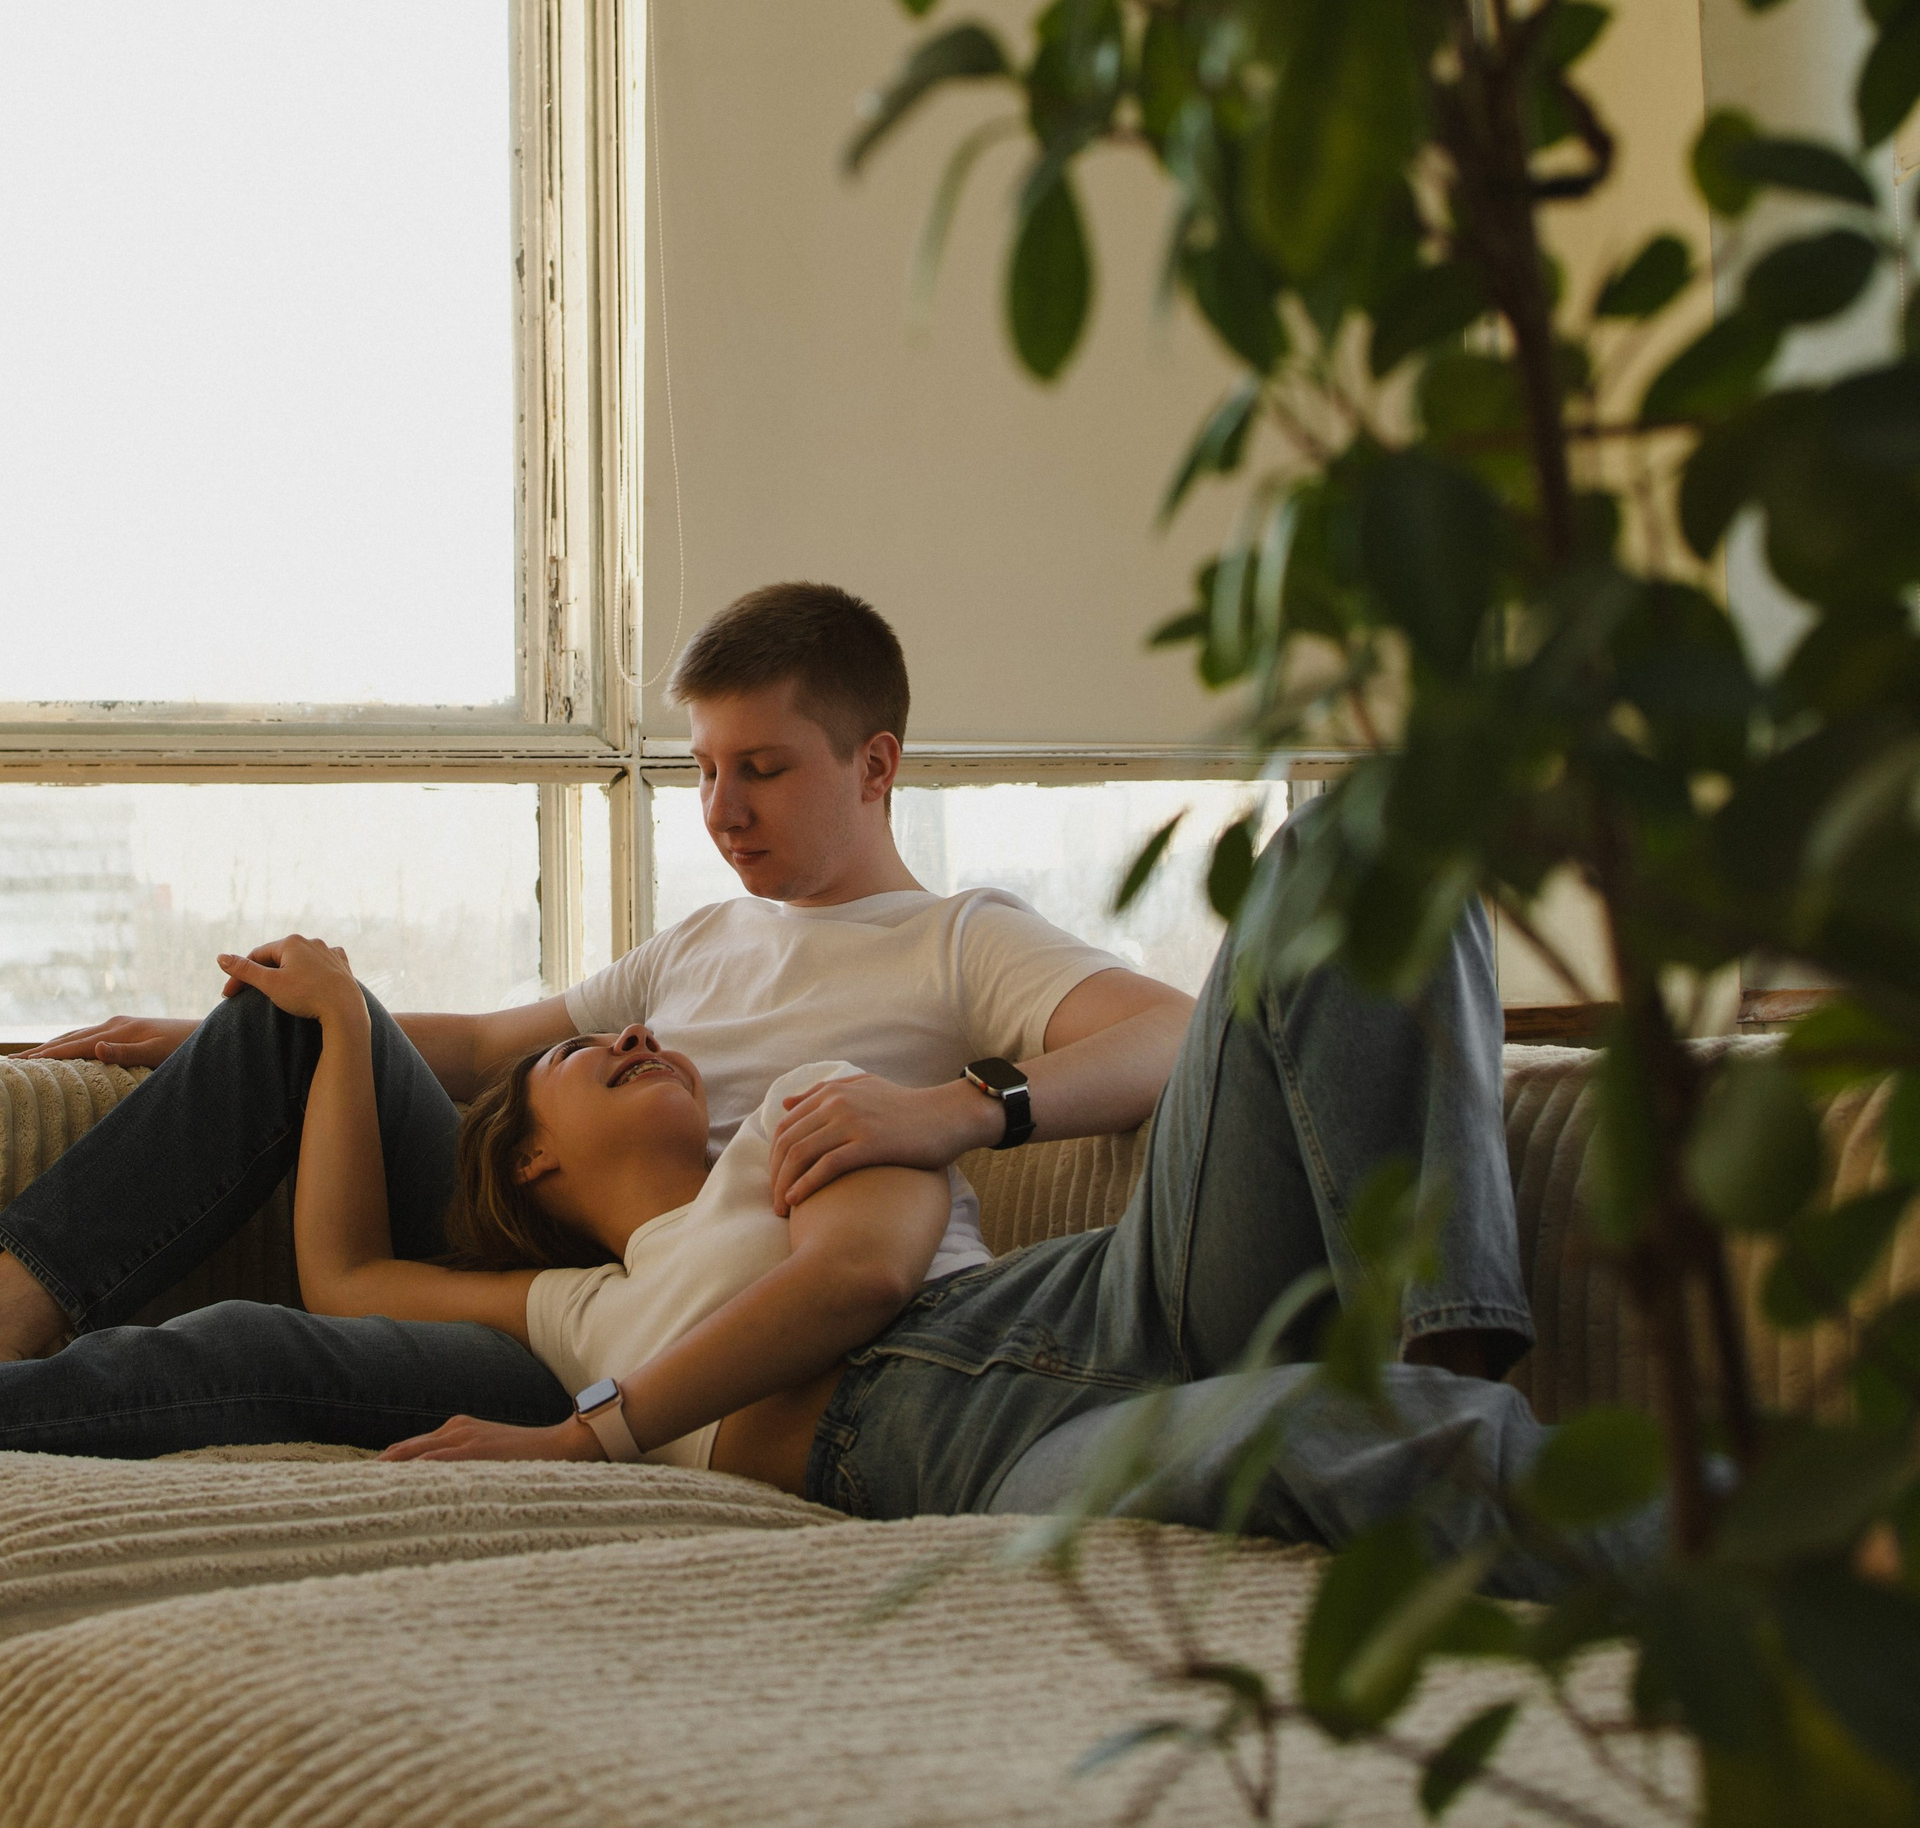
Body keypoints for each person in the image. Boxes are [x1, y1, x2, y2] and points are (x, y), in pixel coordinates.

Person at [0, 887, 1593, 1603]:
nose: (638, 1040)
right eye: (594, 1055)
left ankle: (1451, 1333)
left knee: (1362, 849)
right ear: (532, 1156)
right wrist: (345, 1020)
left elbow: (866, 1278)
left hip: (1099, 1300)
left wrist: (592, 1437)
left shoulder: (810, 1114)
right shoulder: (570, 1307)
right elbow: (343, 1278)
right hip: (982, 1463)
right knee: (1358, 1442)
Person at [0, 585, 1193, 1433]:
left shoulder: (957, 939)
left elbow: (1176, 1032)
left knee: (253, 1346)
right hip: (568, 1232)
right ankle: (10, 1309)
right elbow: (486, 1047)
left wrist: (957, 1111)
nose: (722, 811)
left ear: (875, 766)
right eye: (705, 770)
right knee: (300, 1011)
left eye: (762, 769)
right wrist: (218, 1028)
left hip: (657, 1326)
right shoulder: (704, 939)